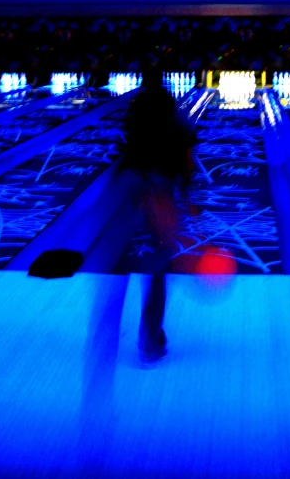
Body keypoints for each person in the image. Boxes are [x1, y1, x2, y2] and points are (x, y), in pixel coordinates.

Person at [122, 66, 197, 363]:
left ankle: (121, 328)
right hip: (160, 196)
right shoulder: (176, 121)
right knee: (159, 266)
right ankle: (151, 337)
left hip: (131, 191)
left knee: (125, 263)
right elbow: (187, 162)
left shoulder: (135, 112)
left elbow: (126, 152)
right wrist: (189, 198)